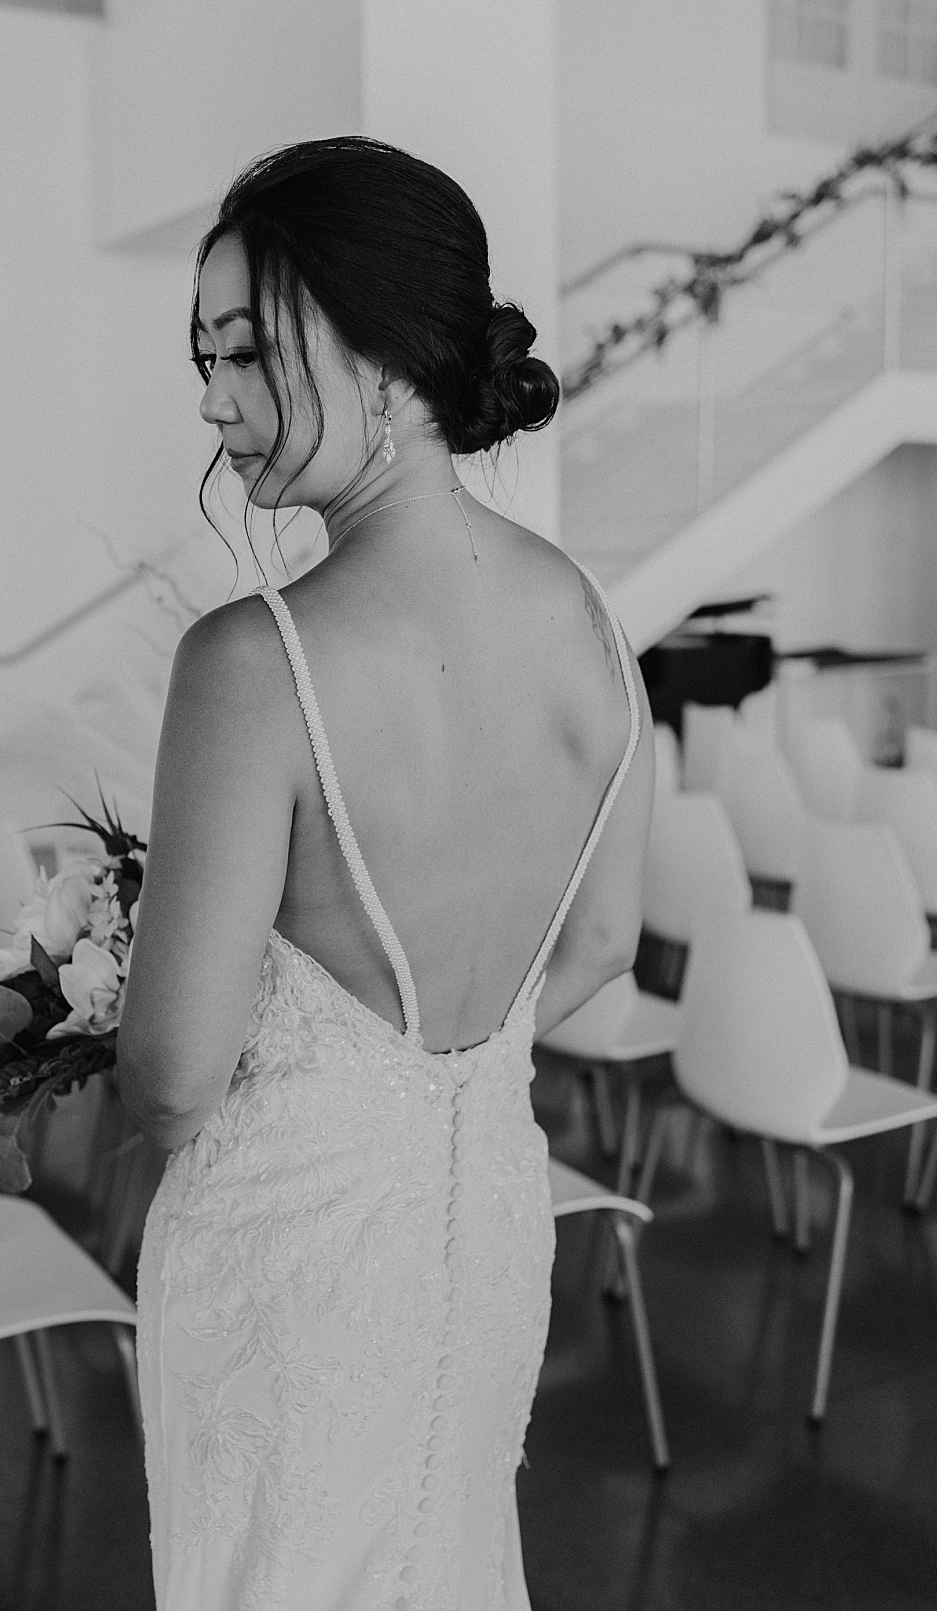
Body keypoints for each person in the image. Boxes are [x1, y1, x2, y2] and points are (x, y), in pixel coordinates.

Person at [117, 136, 654, 1610]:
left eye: (251, 351)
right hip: (485, 1225)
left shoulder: (252, 664)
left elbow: (169, 1076)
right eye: (203, 357)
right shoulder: (593, 627)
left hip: (289, 1260)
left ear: (387, 352)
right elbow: (603, 940)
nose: (216, 400)